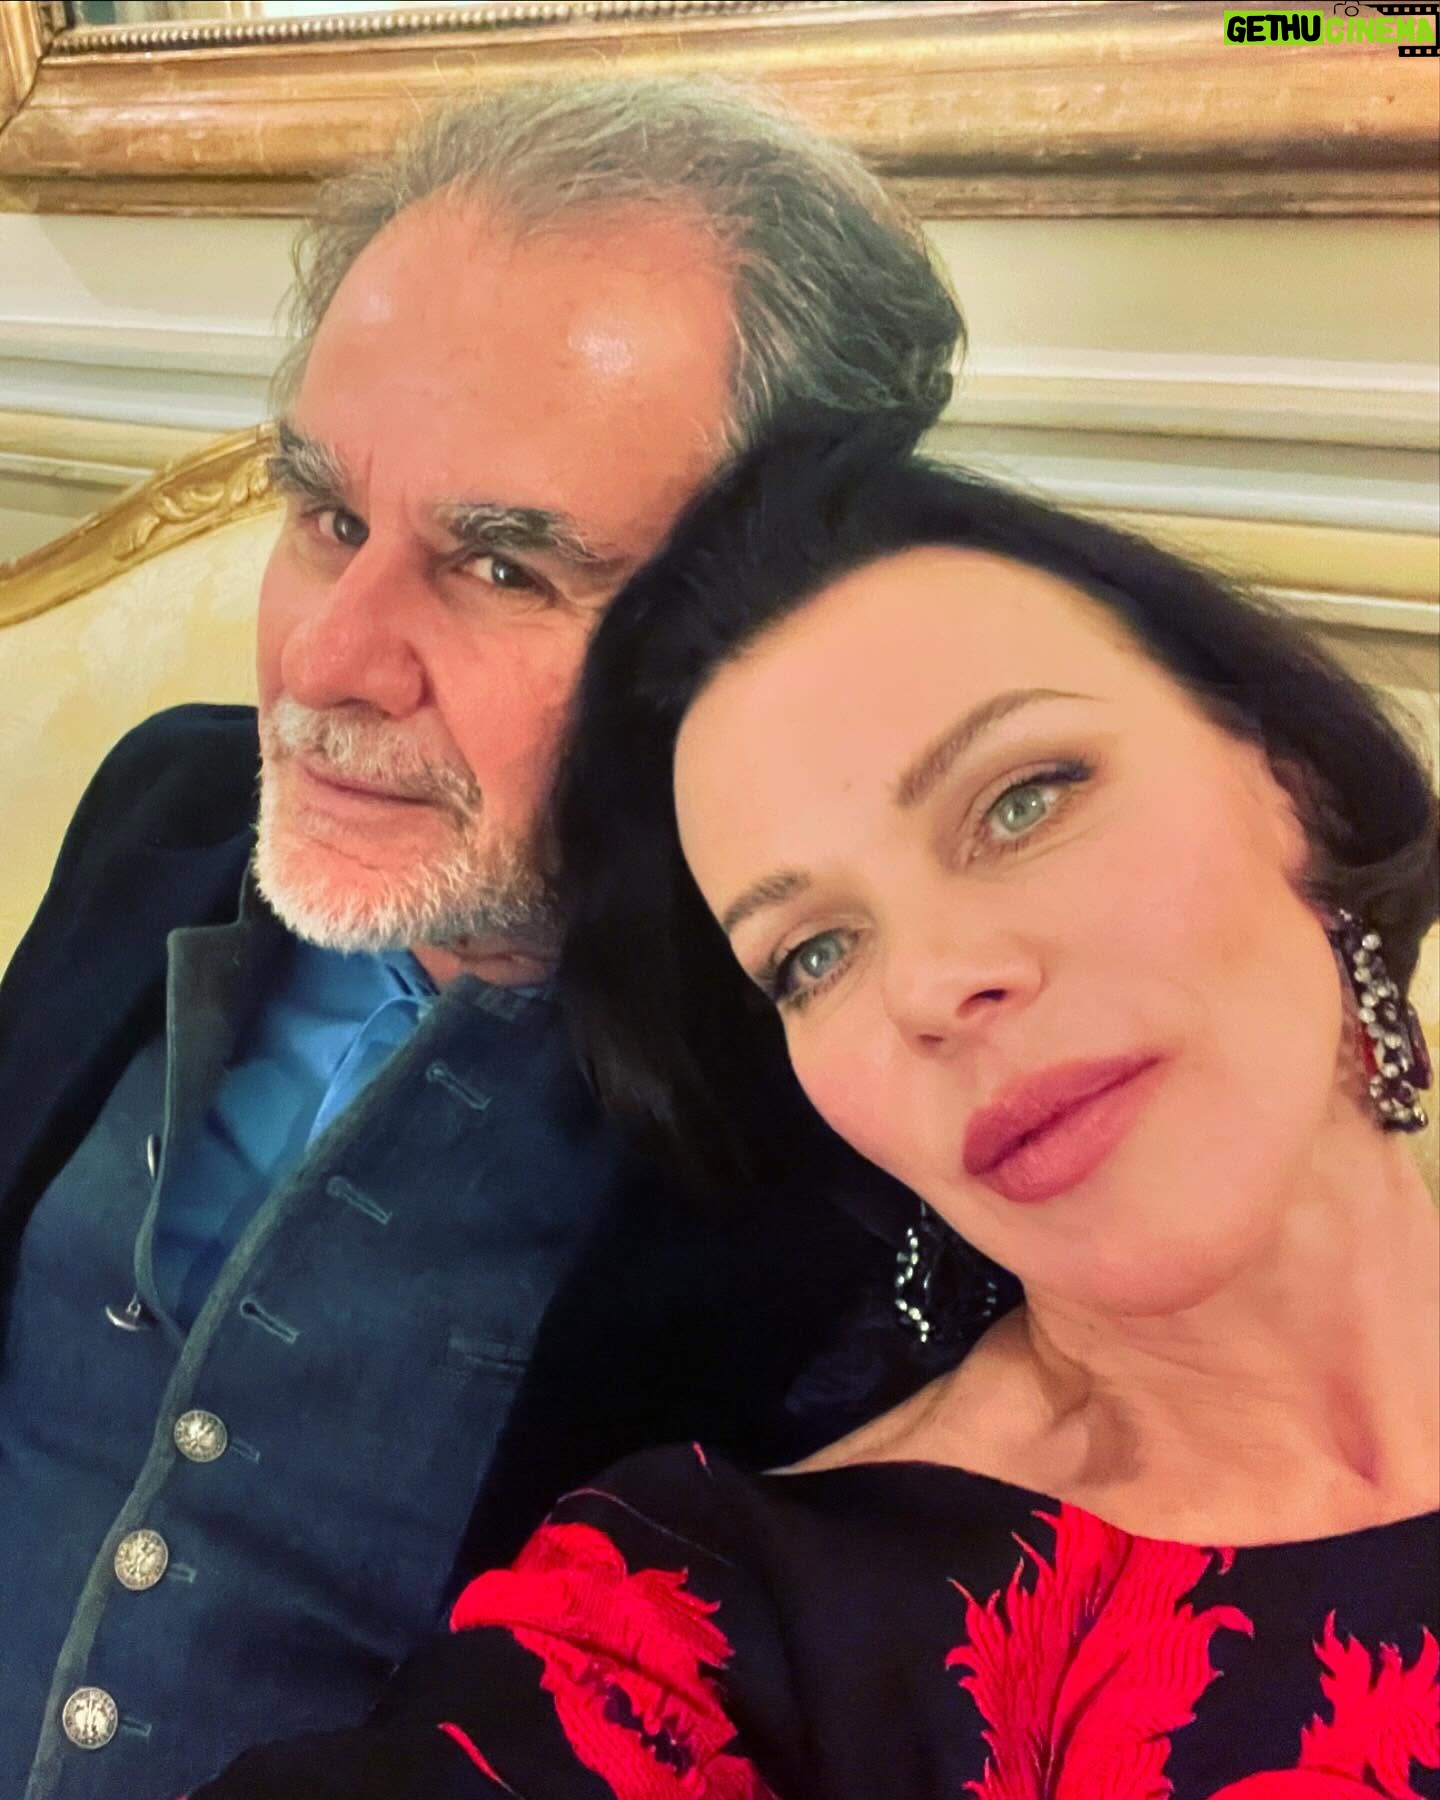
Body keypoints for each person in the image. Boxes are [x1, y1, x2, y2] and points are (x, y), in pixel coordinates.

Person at [190, 430, 1438, 1798]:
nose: (932, 986)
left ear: (1294, 785)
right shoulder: (723, 1620)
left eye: (1022, 801)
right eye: (814, 954)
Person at [0, 86, 964, 1798]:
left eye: (503, 568)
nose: (327, 665)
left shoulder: (863, 1124)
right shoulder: (164, 810)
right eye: (325, 515)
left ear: (781, 611)